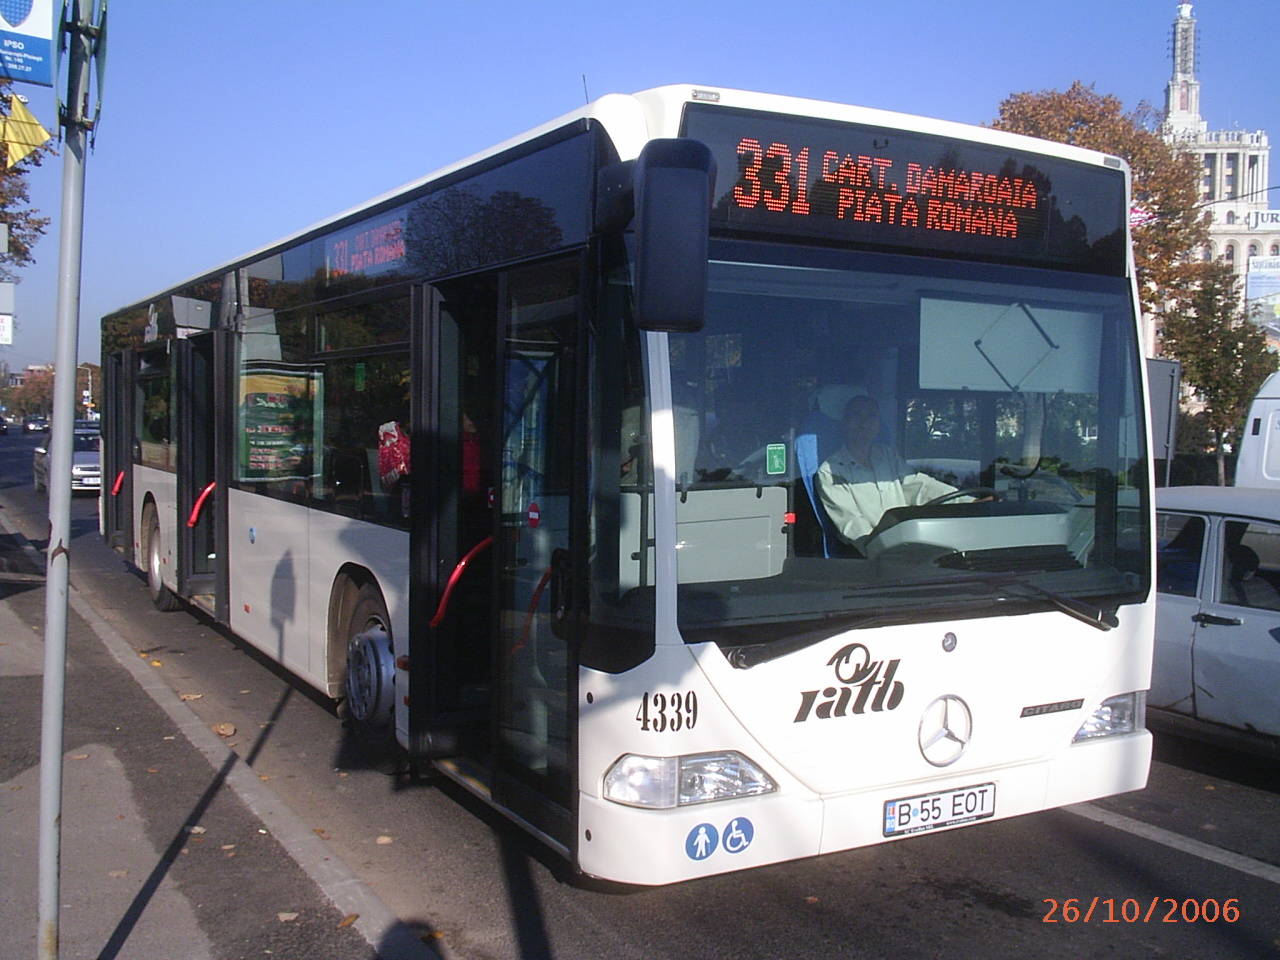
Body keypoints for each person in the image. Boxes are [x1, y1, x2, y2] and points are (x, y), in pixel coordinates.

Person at [815, 394, 963, 552]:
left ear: (878, 425)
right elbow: (852, 524)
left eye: (871, 416)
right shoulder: (831, 470)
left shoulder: (887, 456)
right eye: (857, 415)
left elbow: (919, 486)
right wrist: (885, 549)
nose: (864, 423)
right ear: (844, 422)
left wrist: (967, 502)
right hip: (871, 555)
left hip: (908, 544)